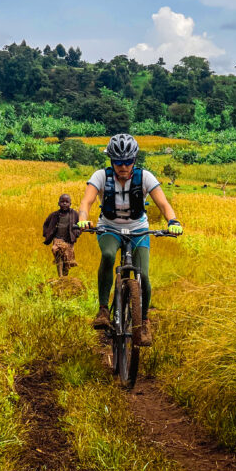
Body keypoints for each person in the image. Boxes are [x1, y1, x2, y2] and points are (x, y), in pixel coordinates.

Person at [77, 134, 183, 347]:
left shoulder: (145, 177)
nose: (123, 166)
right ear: (111, 161)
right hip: (109, 227)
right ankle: (103, 310)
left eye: (128, 161)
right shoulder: (100, 176)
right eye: (118, 162)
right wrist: (83, 220)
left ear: (134, 160)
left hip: (138, 229)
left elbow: (163, 203)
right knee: (107, 256)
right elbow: (86, 202)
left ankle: (143, 322)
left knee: (143, 274)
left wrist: (173, 221)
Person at [43, 194, 81, 277]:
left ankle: (65, 277)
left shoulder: (74, 214)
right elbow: (46, 224)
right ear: (58, 203)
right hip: (58, 239)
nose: (64, 203)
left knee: (66, 259)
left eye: (67, 202)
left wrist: (77, 233)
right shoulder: (54, 215)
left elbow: (80, 225)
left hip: (69, 240)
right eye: (62, 201)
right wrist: (47, 233)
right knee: (57, 253)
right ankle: (60, 276)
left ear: (70, 204)